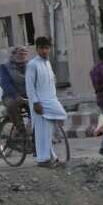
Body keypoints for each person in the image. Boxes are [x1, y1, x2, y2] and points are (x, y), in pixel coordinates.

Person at [25, 36, 67, 167]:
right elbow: (29, 86)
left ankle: (52, 157)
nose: (44, 51)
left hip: (50, 100)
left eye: (47, 48)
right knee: (41, 132)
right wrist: (35, 103)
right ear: (37, 49)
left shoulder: (48, 63)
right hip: (39, 103)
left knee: (48, 132)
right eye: (42, 48)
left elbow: (51, 82)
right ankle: (43, 160)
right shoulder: (32, 64)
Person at [0, 47, 30, 124]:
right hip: (11, 95)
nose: (23, 56)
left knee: (38, 106)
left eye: (25, 54)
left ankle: (33, 125)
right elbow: (5, 84)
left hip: (27, 94)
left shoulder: (29, 65)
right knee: (11, 105)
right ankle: (21, 131)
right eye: (20, 54)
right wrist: (16, 95)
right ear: (13, 55)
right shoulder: (5, 66)